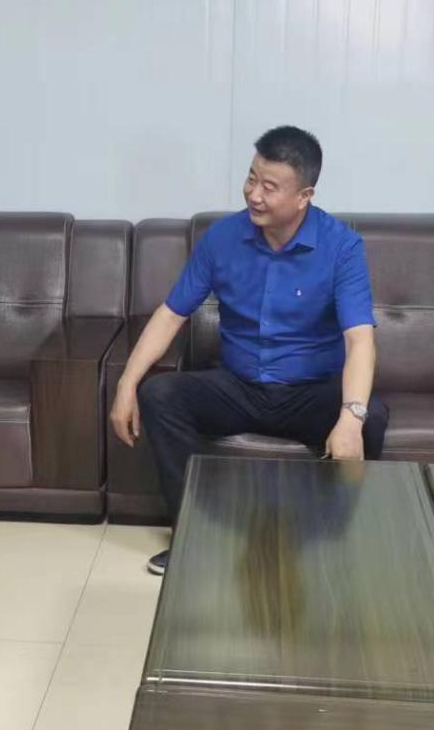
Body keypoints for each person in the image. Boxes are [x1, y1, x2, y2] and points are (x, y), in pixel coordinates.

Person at [108, 126, 388, 575]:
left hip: (310, 391)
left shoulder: (341, 247)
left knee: (370, 417)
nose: (254, 195)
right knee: (159, 395)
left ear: (304, 196)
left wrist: (351, 417)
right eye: (251, 178)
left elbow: (360, 340)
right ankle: (194, 537)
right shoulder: (222, 238)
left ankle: (332, 543)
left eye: (270, 186)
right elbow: (171, 314)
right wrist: (127, 383)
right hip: (239, 386)